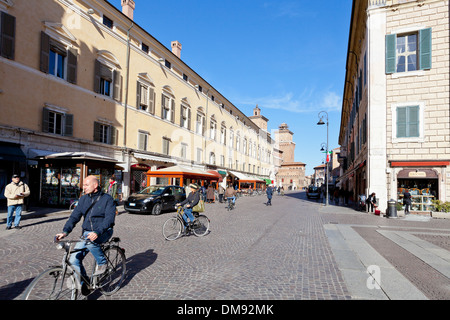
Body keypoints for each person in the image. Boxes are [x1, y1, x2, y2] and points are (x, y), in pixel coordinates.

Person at [55, 175, 116, 291]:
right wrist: (65, 231)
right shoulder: (83, 199)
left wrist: (98, 232)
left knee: (90, 241)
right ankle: (85, 283)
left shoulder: (107, 199)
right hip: (87, 233)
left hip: (104, 231)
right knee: (73, 259)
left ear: (95, 185)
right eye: (83, 185)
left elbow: (109, 219)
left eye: (86, 185)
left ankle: (102, 262)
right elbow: (74, 217)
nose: (84, 187)